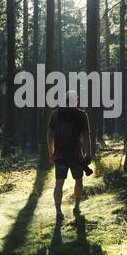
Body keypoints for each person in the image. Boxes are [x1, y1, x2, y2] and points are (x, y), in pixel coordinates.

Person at [47, 90, 92, 221]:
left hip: (60, 155)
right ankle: (77, 207)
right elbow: (86, 135)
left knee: (59, 183)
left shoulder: (55, 114)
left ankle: (58, 211)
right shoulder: (82, 115)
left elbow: (49, 134)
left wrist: (51, 153)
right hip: (76, 156)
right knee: (78, 181)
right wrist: (88, 153)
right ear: (76, 100)